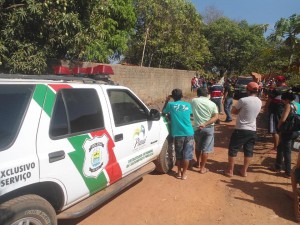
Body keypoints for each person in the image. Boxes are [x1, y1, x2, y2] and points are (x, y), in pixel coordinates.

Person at [224, 82, 262, 177]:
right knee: (248, 151)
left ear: (247, 90)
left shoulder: (243, 100)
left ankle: (230, 171)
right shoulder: (259, 101)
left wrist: (240, 110)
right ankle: (244, 171)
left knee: (233, 149)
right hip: (252, 129)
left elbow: (233, 111)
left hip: (241, 129)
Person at [162, 89, 194, 180]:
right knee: (187, 155)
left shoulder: (170, 105)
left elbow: (163, 112)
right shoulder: (188, 105)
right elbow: (190, 115)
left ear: (172, 97)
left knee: (179, 155)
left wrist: (167, 100)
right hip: (189, 133)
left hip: (178, 134)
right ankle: (184, 174)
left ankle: (179, 172)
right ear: (182, 96)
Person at [270, 91, 299, 178]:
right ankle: (277, 166)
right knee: (281, 148)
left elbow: (283, 118)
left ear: (286, 100)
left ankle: (288, 172)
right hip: (295, 131)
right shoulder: (297, 105)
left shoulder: (288, 105)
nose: (281, 101)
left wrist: (278, 127)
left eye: (282, 100)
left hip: (288, 131)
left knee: (287, 152)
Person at [191, 87, 219, 174]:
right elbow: (215, 117)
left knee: (198, 146)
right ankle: (202, 168)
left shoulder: (194, 101)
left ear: (198, 94)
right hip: (208, 128)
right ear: (207, 94)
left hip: (196, 128)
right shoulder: (212, 104)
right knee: (206, 149)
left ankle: (198, 163)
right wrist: (205, 123)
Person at [264, 75, 290, 154]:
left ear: (279, 81)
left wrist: (265, 108)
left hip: (275, 110)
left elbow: (269, 99)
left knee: (274, 129)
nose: (276, 82)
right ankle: (280, 146)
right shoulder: (288, 89)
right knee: (281, 128)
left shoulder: (277, 89)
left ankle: (276, 147)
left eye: (276, 81)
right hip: (285, 110)